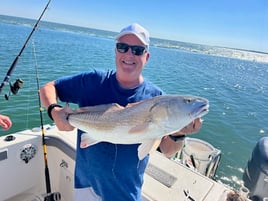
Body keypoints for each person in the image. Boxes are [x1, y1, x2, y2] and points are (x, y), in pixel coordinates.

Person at [40, 23, 202, 201]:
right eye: (122, 47)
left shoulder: (157, 98)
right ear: (116, 51)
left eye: (137, 50)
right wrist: (54, 111)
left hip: (125, 193)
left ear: (146, 57)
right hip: (85, 185)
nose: (129, 54)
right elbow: (49, 88)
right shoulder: (93, 81)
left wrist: (179, 133)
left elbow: (168, 150)